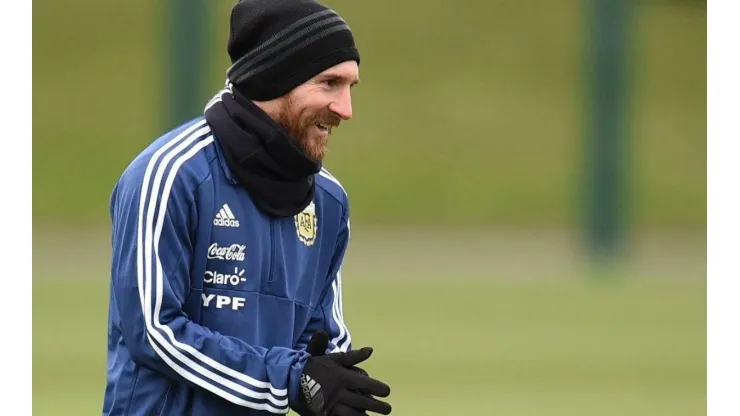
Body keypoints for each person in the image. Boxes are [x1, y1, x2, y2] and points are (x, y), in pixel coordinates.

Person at [101, 0, 392, 414]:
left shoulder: (328, 200)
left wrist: (333, 386)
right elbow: (154, 332)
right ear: (276, 78)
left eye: (350, 87)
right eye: (329, 83)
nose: (345, 109)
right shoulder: (171, 173)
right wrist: (289, 379)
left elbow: (321, 345)